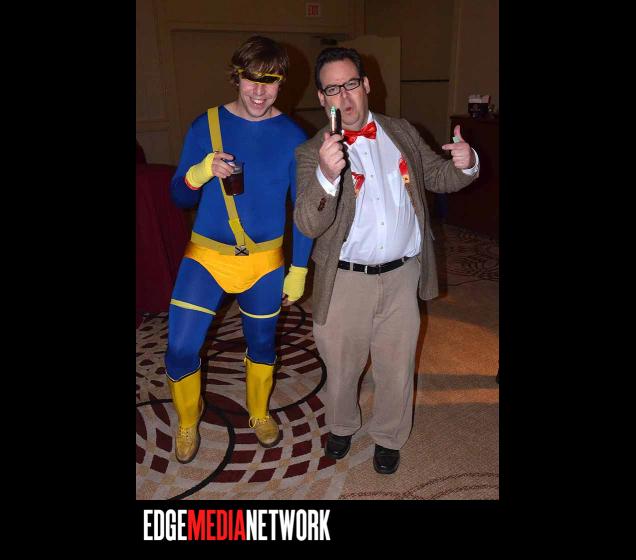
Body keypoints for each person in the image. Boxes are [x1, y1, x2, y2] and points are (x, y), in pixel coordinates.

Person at [293, 47, 479, 474]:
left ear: (367, 84)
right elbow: (307, 223)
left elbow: (439, 176)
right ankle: (342, 425)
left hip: (401, 276)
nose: (345, 97)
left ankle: (389, 436)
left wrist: (466, 165)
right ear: (322, 98)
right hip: (344, 281)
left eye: (351, 84)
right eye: (333, 89)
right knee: (342, 367)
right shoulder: (311, 152)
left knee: (397, 366)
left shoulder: (401, 132)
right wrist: (326, 175)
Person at [165, 36, 313, 463]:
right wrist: (200, 172)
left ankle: (259, 411)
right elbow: (179, 198)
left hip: (264, 264)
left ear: (282, 83)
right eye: (252, 80)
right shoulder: (206, 126)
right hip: (206, 258)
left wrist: (299, 269)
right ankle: (188, 419)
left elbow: (303, 212)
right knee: (180, 348)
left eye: (271, 81)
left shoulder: (293, 136)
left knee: (262, 346)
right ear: (236, 78)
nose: (260, 92)